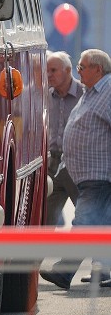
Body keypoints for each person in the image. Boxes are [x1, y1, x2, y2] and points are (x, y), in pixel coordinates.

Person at [40, 49, 111, 290]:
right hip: (74, 169)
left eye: (82, 67)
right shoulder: (92, 92)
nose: (79, 71)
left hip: (98, 172)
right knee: (98, 222)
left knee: (85, 221)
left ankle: (64, 271)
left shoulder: (107, 91)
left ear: (97, 69)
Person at [44, 51, 83, 227]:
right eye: (47, 71)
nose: (49, 75)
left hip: (77, 165)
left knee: (85, 216)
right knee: (45, 216)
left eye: (53, 70)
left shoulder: (86, 94)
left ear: (67, 71)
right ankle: (33, 254)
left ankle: (79, 254)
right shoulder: (46, 95)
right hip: (52, 164)